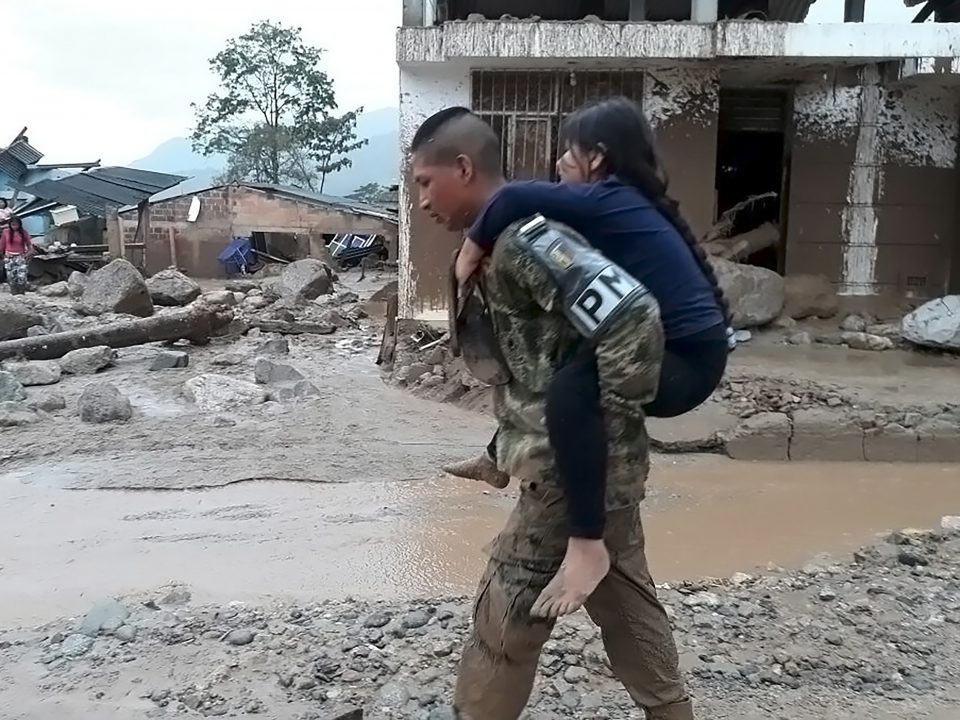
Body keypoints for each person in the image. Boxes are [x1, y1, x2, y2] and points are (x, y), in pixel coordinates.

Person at [411, 106, 696, 720]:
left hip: (568, 477)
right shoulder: (502, 242)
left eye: (424, 183)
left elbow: (630, 316)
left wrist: (609, 416)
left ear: (463, 168)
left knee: (503, 621)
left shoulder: (528, 241)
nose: (421, 201)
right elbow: (541, 364)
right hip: (593, 474)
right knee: (626, 607)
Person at [443, 97, 732, 615]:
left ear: (597, 158)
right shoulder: (621, 202)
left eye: (567, 153)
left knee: (571, 393)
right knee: (559, 365)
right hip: (674, 346)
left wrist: (469, 250)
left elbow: (512, 199)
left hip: (685, 362)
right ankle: (497, 456)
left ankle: (586, 545)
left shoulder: (608, 199)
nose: (558, 165)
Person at [0, 216, 32, 293]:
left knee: (22, 276)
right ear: (10, 225)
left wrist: (29, 253)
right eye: (13, 225)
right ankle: (14, 292)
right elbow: (2, 244)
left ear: (19, 225)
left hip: (20, 256)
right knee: (11, 276)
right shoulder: (6, 232)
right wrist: (2, 255)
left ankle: (21, 292)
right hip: (9, 257)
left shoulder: (24, 233)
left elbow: (29, 245)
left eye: (16, 225)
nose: (14, 227)